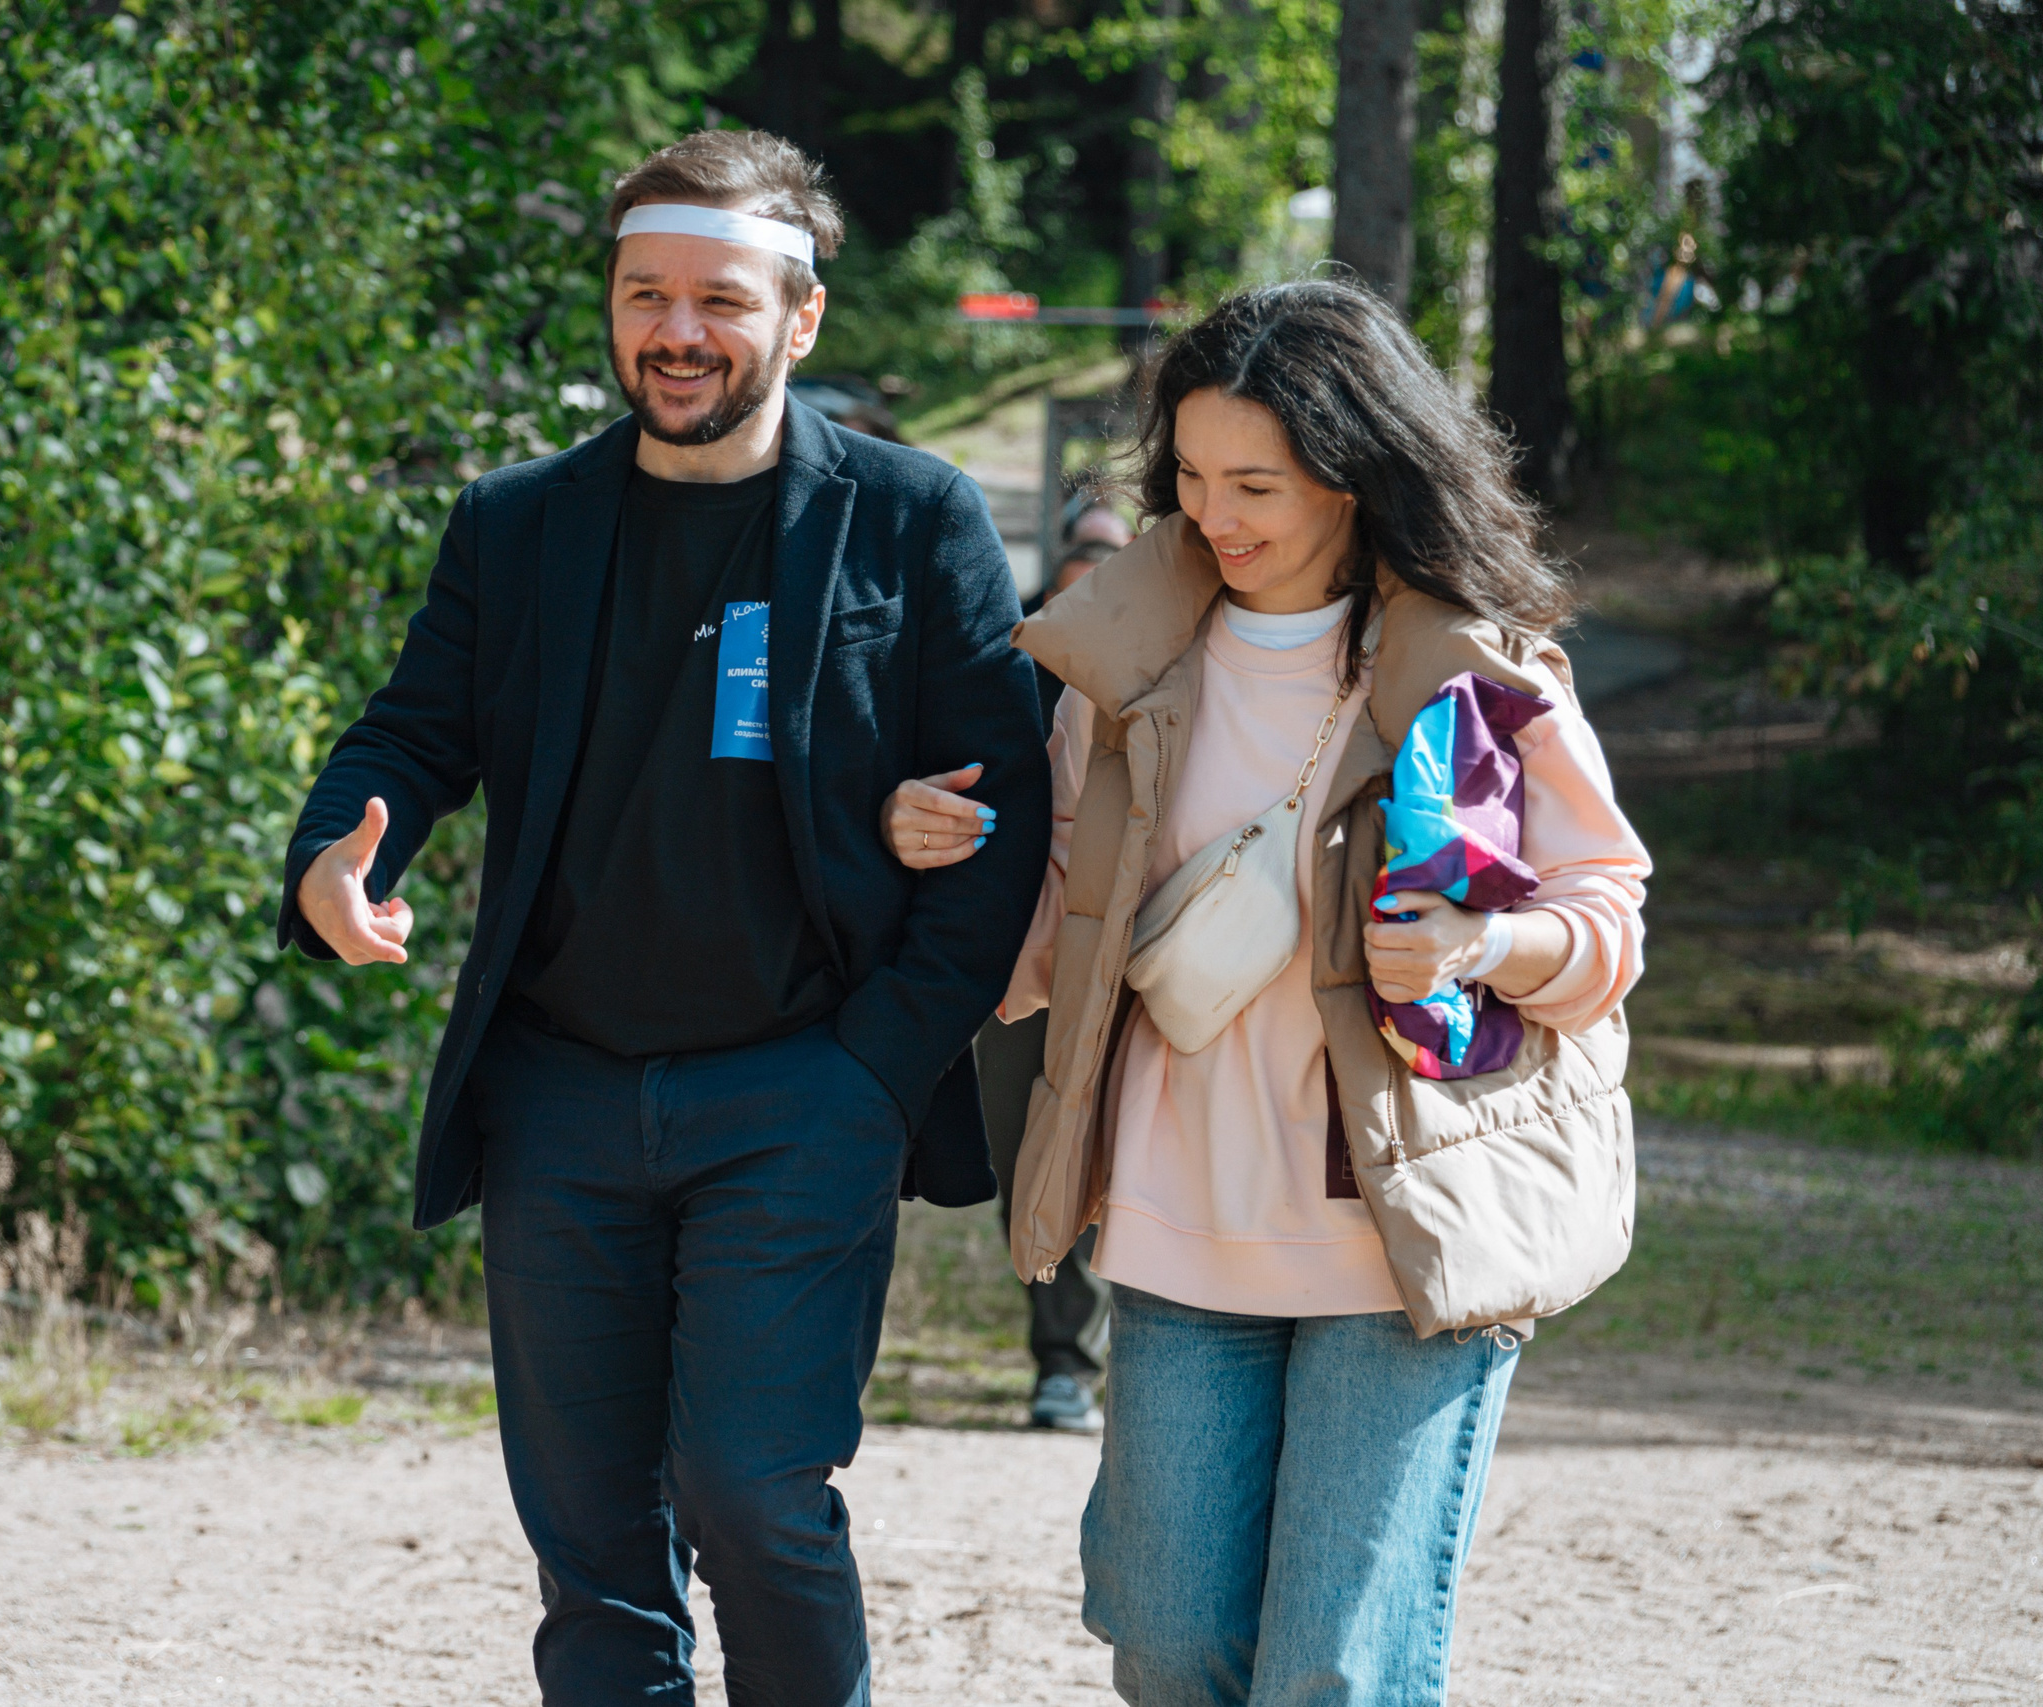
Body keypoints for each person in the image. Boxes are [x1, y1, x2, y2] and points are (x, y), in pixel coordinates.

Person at [278, 129, 1050, 1705]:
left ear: (802, 318)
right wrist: (332, 863)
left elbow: (1003, 815)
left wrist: (876, 1067)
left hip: (800, 1087)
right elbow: (411, 734)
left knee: (755, 1499)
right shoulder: (517, 523)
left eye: (719, 298)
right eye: (646, 295)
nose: (678, 332)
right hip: (559, 1090)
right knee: (594, 1548)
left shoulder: (913, 517)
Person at [882, 278, 1649, 1702]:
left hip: (1401, 1239)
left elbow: (1609, 915)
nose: (1216, 515)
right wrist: (924, 862)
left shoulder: (1476, 673)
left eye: (1259, 483)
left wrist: (1487, 946)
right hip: (1180, 1229)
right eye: (1188, 476)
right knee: (1169, 1648)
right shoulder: (1118, 666)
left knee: (1335, 1675)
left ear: (1356, 478)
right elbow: (1047, 916)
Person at [977, 524, 1122, 1432]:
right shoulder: (1007, 666)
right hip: (1019, 961)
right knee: (1023, 1159)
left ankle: (1077, 1356)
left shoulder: (1178, 667)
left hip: (1131, 962)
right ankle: (1058, 1348)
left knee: (1112, 1156)